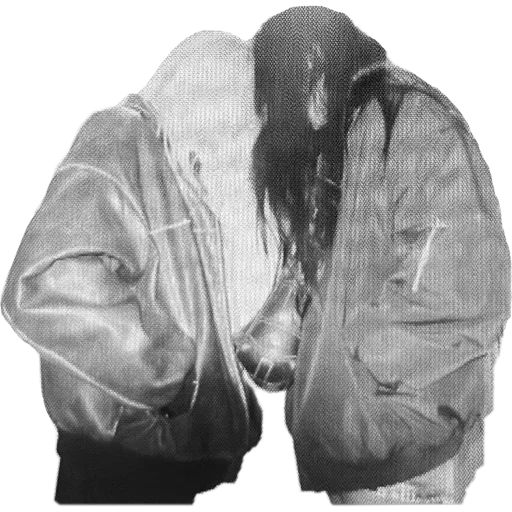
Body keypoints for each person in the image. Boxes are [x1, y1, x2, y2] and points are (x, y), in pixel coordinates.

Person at [0, 31, 304, 505]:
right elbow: (49, 281)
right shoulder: (122, 137)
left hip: (160, 457)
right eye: (248, 108)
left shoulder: (182, 166)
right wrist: (166, 368)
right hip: (120, 457)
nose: (251, 129)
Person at [247, 6, 509, 505]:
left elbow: (460, 287)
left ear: (313, 61)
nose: (278, 112)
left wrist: (349, 364)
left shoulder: (410, 123)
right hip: (357, 452)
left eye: (279, 91)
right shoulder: (345, 142)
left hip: (407, 457)